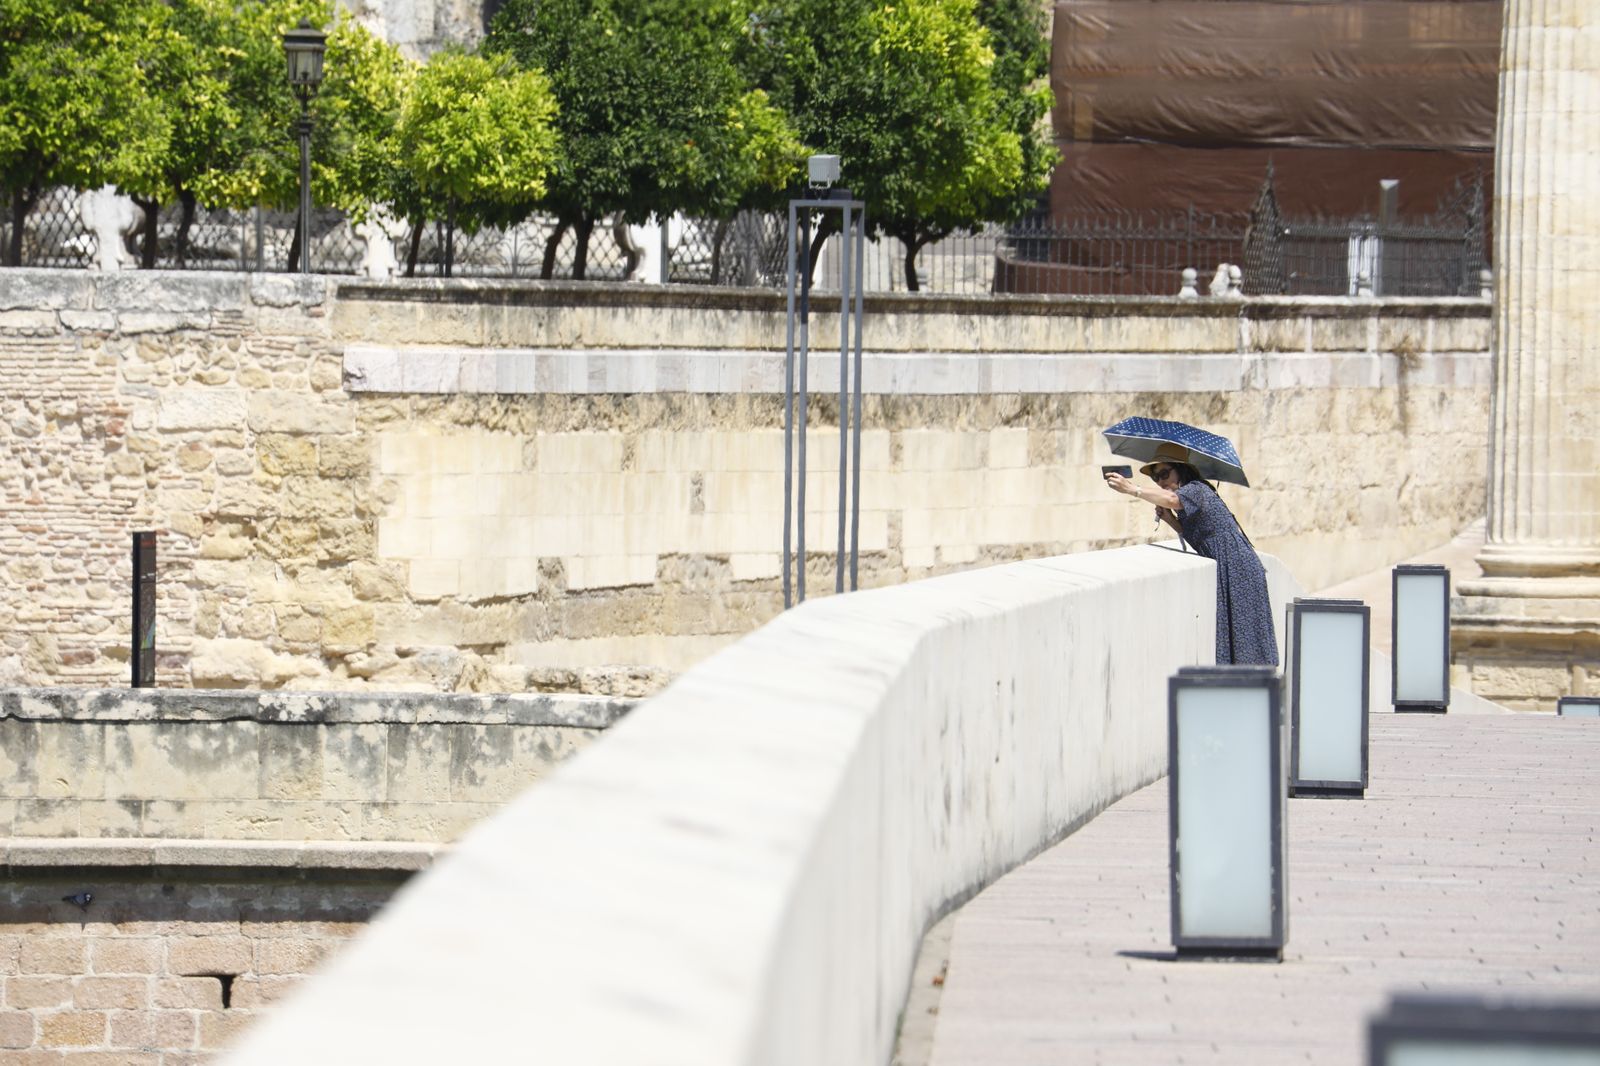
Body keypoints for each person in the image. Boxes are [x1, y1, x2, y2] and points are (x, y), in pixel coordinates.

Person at [1103, 444, 1278, 666]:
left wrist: (1132, 489)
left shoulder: (1195, 489)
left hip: (1237, 568)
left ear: (1181, 469)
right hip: (1226, 567)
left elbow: (1173, 500)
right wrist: (1169, 520)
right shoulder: (1187, 496)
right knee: (1233, 639)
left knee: (1247, 638)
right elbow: (1196, 535)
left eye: (1165, 473)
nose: (1161, 481)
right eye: (1156, 478)